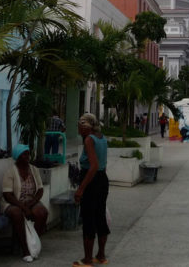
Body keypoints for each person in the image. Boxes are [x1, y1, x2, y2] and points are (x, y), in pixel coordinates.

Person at [73, 113, 110, 267]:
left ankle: (87, 259)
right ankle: (101, 255)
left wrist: (81, 189)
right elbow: (102, 164)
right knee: (100, 216)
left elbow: (93, 166)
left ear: (86, 127)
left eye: (79, 126)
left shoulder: (89, 140)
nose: (78, 129)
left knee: (89, 218)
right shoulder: (102, 138)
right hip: (102, 180)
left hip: (91, 181)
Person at [2, 144, 48, 263]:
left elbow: (40, 189)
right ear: (18, 157)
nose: (28, 156)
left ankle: (33, 243)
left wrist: (32, 202)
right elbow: (7, 195)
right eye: (24, 154)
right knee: (17, 213)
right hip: (13, 202)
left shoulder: (34, 169)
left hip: (30, 201)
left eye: (28, 154)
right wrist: (23, 207)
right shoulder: (10, 171)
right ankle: (25, 250)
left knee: (42, 212)